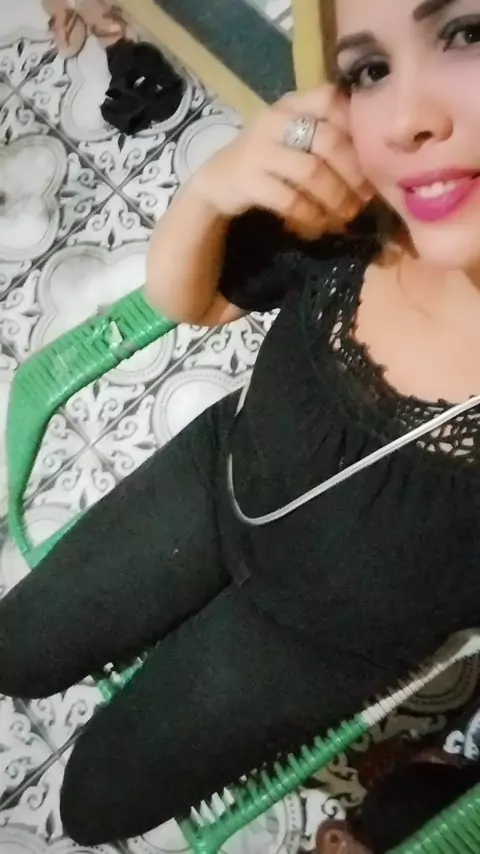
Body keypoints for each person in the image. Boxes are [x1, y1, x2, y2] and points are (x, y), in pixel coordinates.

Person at [2, 0, 480, 845]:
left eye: (467, 35)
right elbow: (195, 301)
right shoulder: (362, 216)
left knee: (95, 805)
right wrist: (214, 188)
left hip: (319, 637)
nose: (406, 117)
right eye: (371, 70)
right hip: (223, 479)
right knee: (17, 648)